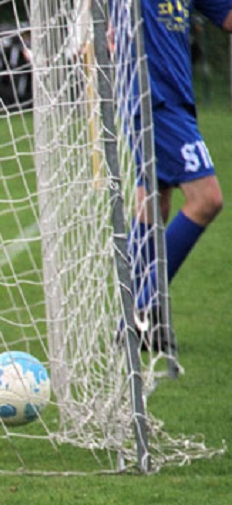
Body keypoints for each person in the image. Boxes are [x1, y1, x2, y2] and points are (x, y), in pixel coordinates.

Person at [124, 0, 231, 350]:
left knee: (153, 199)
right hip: (154, 98)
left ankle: (129, 317)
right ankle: (143, 308)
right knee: (207, 199)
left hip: (173, 99)